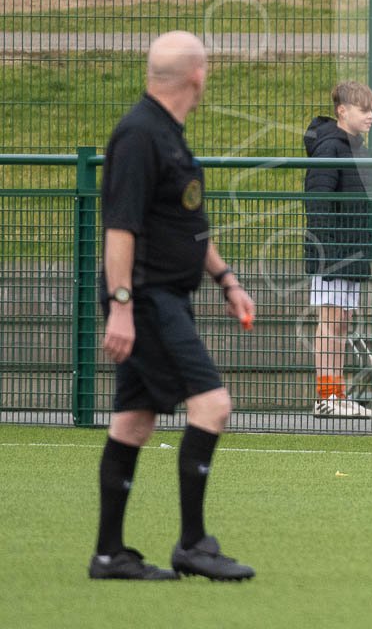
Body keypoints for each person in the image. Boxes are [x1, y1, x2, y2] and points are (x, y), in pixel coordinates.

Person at [90, 31, 256, 582]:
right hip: (146, 299)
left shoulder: (167, 135)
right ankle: (193, 544)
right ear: (197, 75)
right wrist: (121, 306)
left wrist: (227, 280)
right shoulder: (139, 136)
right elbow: (120, 229)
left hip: (165, 297)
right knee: (212, 405)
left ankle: (110, 555)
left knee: (133, 422)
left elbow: (183, 223)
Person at [303, 80, 372, 420]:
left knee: (342, 323)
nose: (370, 116)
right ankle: (326, 395)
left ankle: (337, 393)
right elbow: (318, 204)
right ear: (342, 110)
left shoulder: (355, 148)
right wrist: (328, 255)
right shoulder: (329, 147)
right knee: (330, 322)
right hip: (332, 255)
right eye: (364, 110)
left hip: (351, 253)